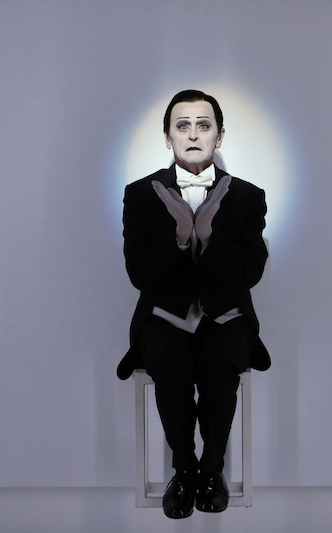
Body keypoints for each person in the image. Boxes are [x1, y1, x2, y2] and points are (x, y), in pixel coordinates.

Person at [117, 89, 270, 519]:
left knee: (222, 361)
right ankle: (183, 471)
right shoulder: (139, 194)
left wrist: (208, 237)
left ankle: (212, 471)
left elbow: (249, 274)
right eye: (182, 125)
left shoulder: (247, 196)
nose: (193, 134)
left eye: (204, 125)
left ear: (220, 135)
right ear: (167, 137)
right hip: (163, 318)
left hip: (229, 318)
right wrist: (180, 237)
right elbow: (140, 276)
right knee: (170, 359)